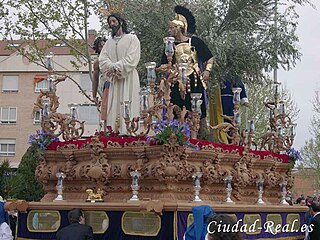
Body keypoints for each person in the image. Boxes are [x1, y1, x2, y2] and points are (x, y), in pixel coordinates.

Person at [161, 5, 214, 128]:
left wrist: (207, 71)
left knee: (197, 110)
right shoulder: (169, 45)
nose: (169, 31)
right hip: (176, 81)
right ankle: (177, 133)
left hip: (194, 80)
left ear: (179, 28)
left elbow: (210, 57)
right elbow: (164, 64)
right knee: (175, 108)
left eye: (171, 28)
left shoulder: (195, 42)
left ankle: (200, 135)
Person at [99, 12, 141, 134]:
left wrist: (116, 67)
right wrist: (111, 67)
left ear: (120, 22)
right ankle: (114, 132)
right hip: (114, 80)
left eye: (114, 21)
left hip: (128, 77)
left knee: (128, 101)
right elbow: (102, 59)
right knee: (114, 104)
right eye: (110, 22)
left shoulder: (132, 39)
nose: (112, 24)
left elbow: (132, 57)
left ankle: (129, 132)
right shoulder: (109, 43)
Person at [92, 36, 107, 103]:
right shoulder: (97, 62)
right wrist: (94, 96)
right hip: (104, 86)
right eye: (101, 46)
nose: (103, 48)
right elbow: (95, 80)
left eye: (104, 46)